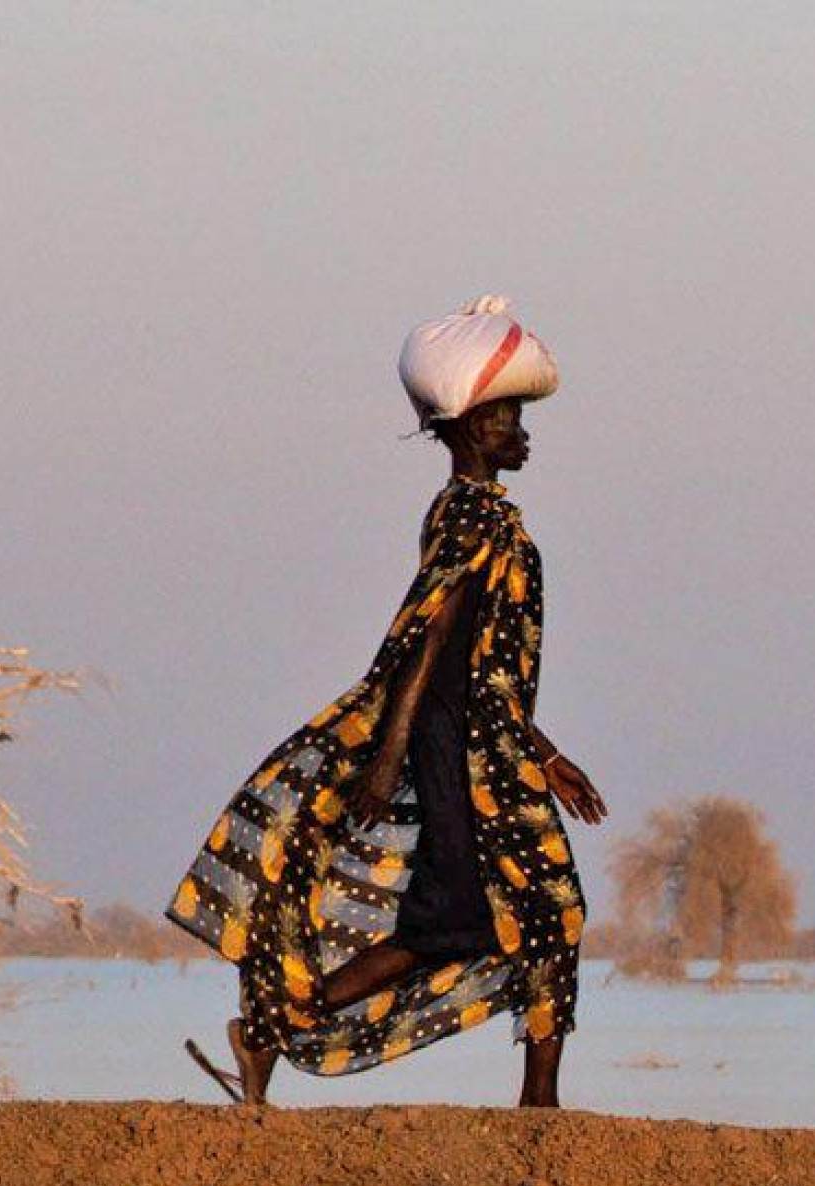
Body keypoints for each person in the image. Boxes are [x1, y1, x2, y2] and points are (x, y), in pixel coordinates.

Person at [169, 298, 606, 1108]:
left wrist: (547, 757)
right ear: (471, 427)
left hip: (491, 743)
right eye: (506, 415)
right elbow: (427, 644)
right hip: (462, 750)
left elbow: (485, 667)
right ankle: (539, 1107)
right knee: (542, 907)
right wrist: (393, 753)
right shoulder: (472, 513)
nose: (520, 430)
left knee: (476, 919)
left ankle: (269, 1028)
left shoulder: (488, 517)